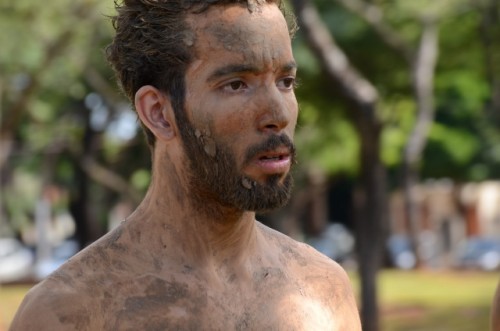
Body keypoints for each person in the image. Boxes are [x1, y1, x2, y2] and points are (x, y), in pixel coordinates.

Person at [10, 0, 361, 329]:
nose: (278, 114)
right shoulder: (72, 313)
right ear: (159, 113)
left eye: (285, 82)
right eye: (237, 84)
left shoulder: (322, 290)